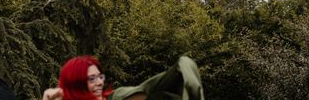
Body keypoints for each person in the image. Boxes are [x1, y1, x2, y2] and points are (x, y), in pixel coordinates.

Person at [43, 55, 203, 100]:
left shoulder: (116, 97)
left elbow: (152, 90)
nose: (99, 82)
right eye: (92, 79)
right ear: (76, 83)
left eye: (100, 77)